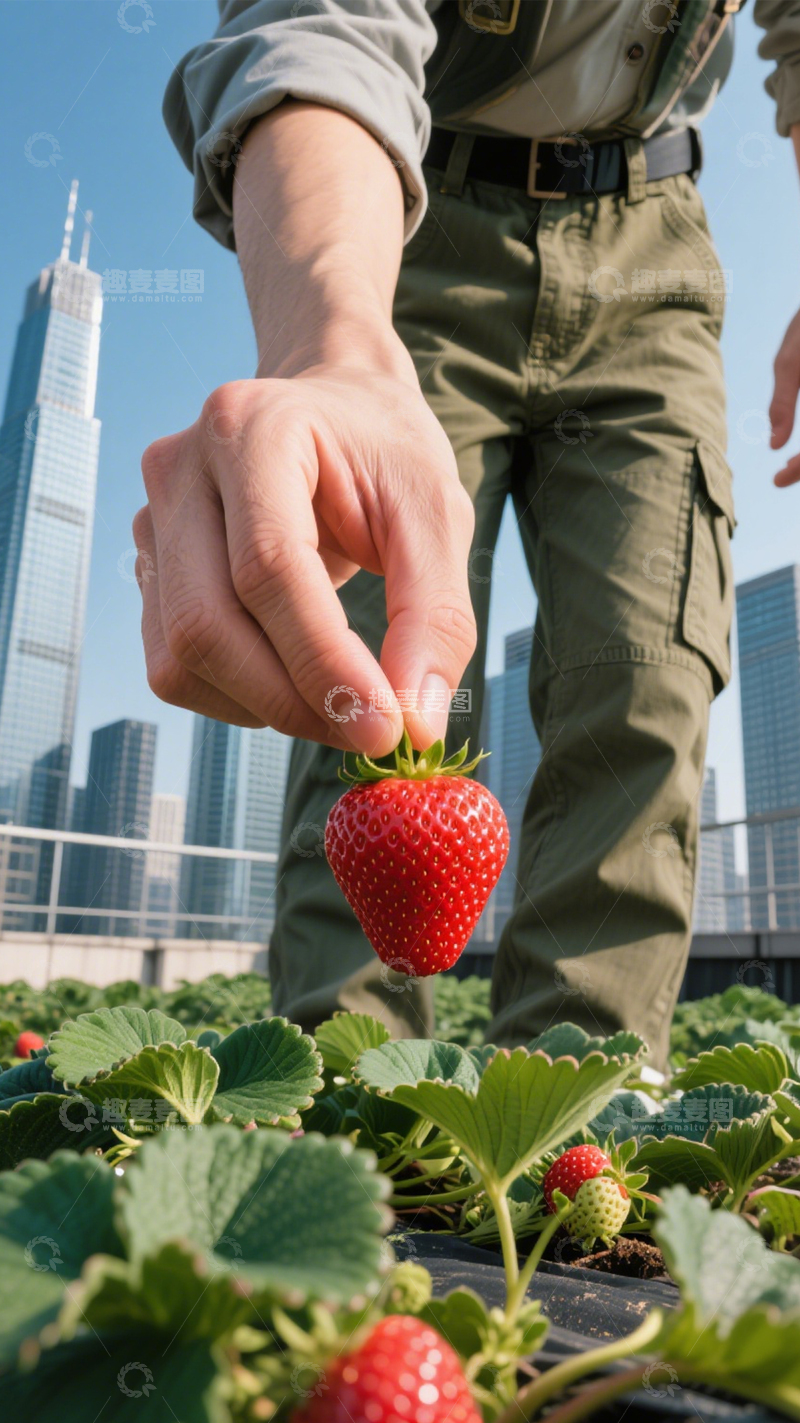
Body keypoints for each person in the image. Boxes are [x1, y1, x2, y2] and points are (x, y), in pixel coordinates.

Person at [136, 0, 800, 1070]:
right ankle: (347, 1098)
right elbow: (324, 21)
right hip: (415, 211)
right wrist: (330, 349)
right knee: (363, 666)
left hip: (653, 235)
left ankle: (573, 1109)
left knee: (646, 672)